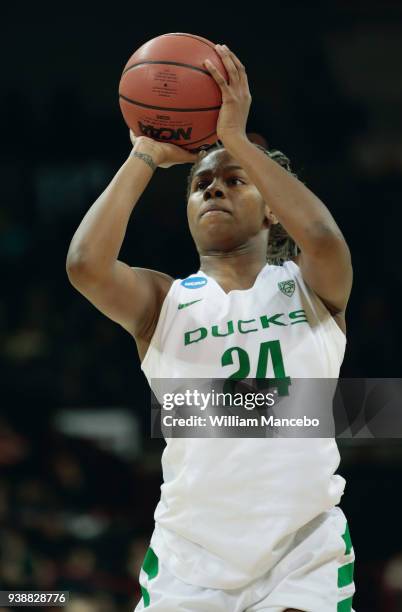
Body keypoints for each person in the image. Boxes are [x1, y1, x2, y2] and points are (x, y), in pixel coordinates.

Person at [66, 43, 355, 612]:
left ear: (270, 205)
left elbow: (321, 235)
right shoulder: (163, 299)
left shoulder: (308, 284)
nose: (213, 189)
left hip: (302, 551)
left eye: (233, 180)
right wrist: (145, 155)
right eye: (200, 185)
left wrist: (238, 138)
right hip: (189, 558)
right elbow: (84, 266)